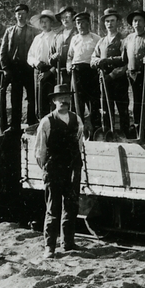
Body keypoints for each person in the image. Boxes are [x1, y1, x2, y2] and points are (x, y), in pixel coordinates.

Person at [32, 83, 85, 259]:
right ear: (54, 101)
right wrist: (48, 169)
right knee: (53, 208)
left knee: (71, 205)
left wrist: (75, 166)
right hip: (54, 169)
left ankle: (68, 242)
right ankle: (50, 247)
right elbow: (40, 151)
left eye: (66, 98)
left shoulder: (76, 120)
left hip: (72, 168)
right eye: (60, 98)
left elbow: (79, 144)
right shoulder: (47, 122)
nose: (64, 101)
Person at [0, 3, 39, 133]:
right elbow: (3, 51)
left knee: (31, 97)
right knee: (15, 98)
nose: (20, 16)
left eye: (23, 13)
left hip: (29, 69)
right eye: (18, 13)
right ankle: (15, 125)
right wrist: (6, 68)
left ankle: (31, 123)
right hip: (14, 69)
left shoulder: (33, 31)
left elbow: (37, 50)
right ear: (15, 15)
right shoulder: (9, 31)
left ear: (27, 15)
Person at [90, 8, 128, 136]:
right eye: (107, 21)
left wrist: (112, 75)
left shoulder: (123, 40)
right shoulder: (101, 41)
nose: (110, 24)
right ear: (104, 23)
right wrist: (97, 62)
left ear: (117, 22)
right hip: (104, 82)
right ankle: (107, 135)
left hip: (119, 81)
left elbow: (125, 61)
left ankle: (125, 135)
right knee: (105, 110)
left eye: (112, 21)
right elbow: (93, 58)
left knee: (123, 110)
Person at [122, 9, 145, 140]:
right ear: (132, 24)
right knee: (136, 105)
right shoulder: (128, 39)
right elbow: (124, 59)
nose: (137, 23)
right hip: (133, 76)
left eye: (140, 21)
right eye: (135, 21)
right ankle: (139, 133)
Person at [67, 11, 101, 133]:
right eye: (78, 22)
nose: (81, 25)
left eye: (83, 22)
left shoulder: (96, 38)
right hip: (76, 74)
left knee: (93, 103)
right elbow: (70, 57)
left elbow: (99, 56)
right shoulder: (74, 39)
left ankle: (95, 130)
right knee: (77, 103)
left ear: (89, 23)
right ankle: (78, 130)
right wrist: (68, 67)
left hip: (91, 73)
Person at [28, 9, 61, 119]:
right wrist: (36, 63)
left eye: (46, 21)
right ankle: (41, 122)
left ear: (51, 23)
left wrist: (50, 71)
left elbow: (59, 57)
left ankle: (53, 123)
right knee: (40, 100)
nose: (44, 24)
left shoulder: (56, 37)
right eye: (42, 22)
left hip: (52, 71)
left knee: (52, 99)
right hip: (38, 70)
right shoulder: (37, 38)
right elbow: (30, 56)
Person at [52, 6, 77, 84]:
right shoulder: (57, 36)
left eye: (67, 17)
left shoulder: (78, 33)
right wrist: (54, 57)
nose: (64, 20)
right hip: (60, 74)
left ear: (72, 17)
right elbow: (51, 55)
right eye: (62, 18)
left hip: (75, 72)